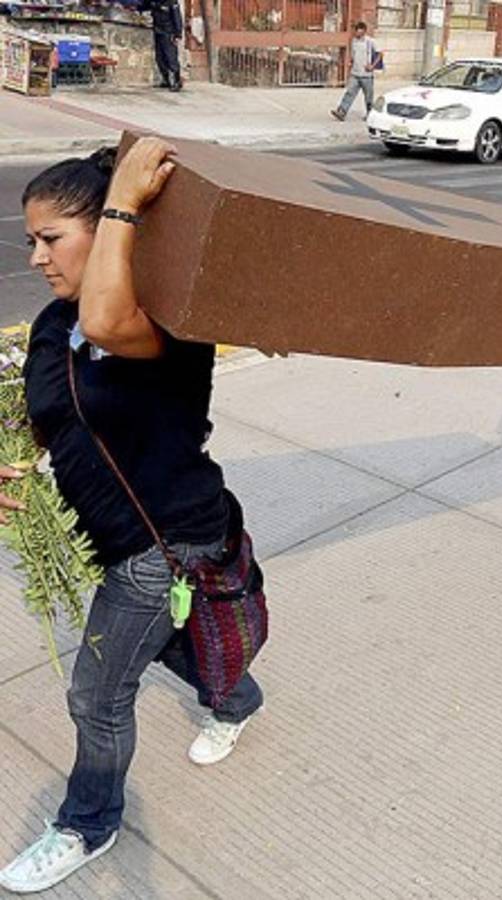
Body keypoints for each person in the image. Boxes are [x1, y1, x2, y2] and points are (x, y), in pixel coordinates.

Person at [0, 139, 265, 894]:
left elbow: (113, 327)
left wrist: (125, 197)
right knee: (161, 646)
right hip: (119, 535)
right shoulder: (54, 325)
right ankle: (237, 694)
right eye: (30, 242)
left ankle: (88, 822)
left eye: (51, 239)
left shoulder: (173, 321)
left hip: (168, 540)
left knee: (96, 692)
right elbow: (56, 416)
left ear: (110, 229)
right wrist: (19, 463)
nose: (37, 260)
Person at [331, 22, 380, 122]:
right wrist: (350, 62)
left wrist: (372, 66)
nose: (356, 32)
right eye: (356, 30)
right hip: (355, 73)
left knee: (368, 96)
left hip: (367, 75)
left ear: (363, 31)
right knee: (349, 92)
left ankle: (370, 114)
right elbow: (353, 55)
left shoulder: (370, 42)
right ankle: (342, 111)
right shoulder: (353, 41)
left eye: (358, 30)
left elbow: (380, 54)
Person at [140, 0, 183, 91]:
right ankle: (166, 80)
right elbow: (143, 6)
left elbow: (177, 18)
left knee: (170, 57)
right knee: (159, 58)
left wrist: (178, 34)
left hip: (169, 32)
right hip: (158, 31)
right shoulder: (154, 2)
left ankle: (176, 81)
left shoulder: (171, 2)